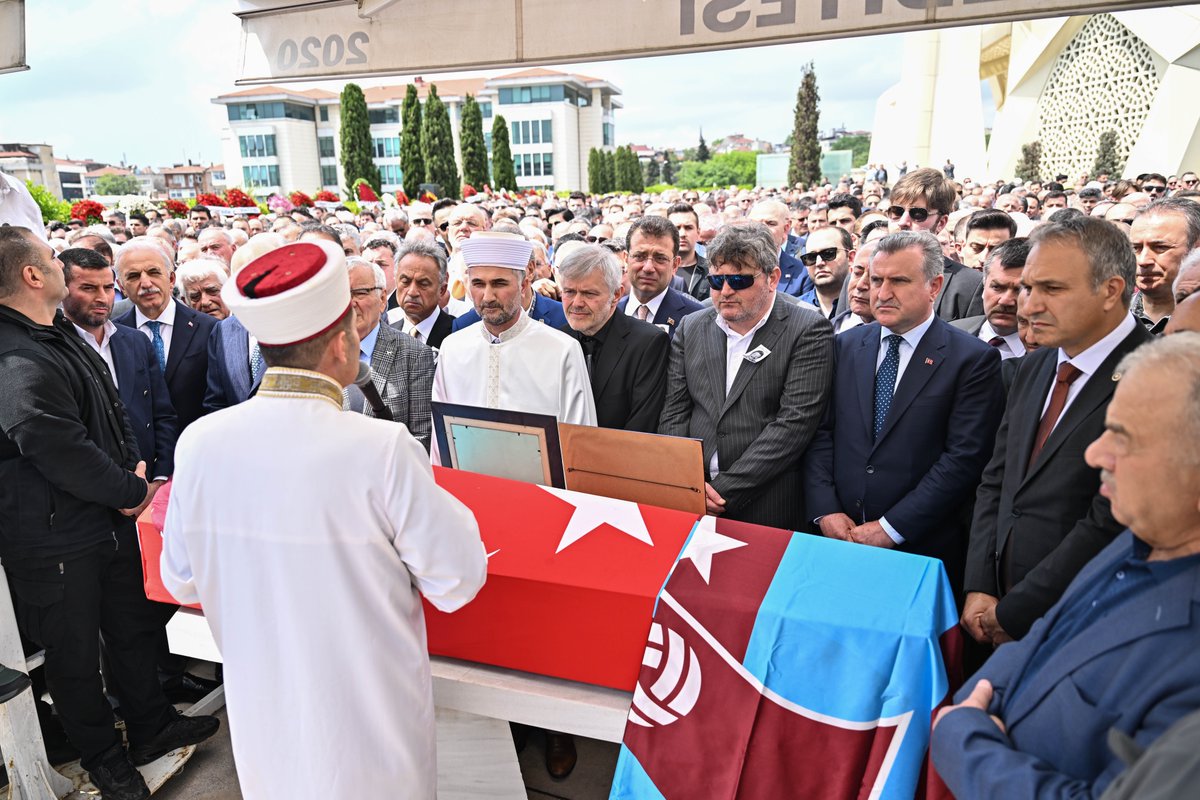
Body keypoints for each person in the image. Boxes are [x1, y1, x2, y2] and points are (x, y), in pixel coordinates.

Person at [160, 238, 486, 799]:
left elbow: (180, 577)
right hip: (369, 726)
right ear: (343, 343)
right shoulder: (381, 448)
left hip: (266, 718)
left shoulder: (200, 442)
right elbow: (458, 578)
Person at [0, 227, 218, 800]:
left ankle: (150, 727)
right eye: (51, 258)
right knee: (74, 659)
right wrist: (127, 488)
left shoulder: (52, 333)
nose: (58, 263)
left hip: (103, 522)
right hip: (54, 540)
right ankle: (105, 759)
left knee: (130, 629)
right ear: (31, 275)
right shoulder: (13, 350)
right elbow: (52, 442)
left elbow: (111, 407)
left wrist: (129, 477)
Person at [932, 333, 1200, 798]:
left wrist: (967, 741)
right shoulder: (1137, 539)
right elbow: (1043, 637)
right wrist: (979, 695)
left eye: (1124, 439)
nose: (1096, 456)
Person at [962, 215, 1152, 645]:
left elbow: (1110, 521)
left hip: (1081, 623)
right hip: (991, 612)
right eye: (1029, 287)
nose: (1028, 306)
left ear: (1111, 291)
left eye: (1052, 289)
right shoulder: (1037, 364)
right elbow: (996, 480)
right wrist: (978, 586)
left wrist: (1014, 612)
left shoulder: (1154, 376)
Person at [804, 231, 1005, 594]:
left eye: (898, 281)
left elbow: (963, 458)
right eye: (876, 279)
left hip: (920, 551)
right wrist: (825, 510)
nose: (881, 292)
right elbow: (821, 432)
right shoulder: (845, 346)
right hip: (838, 540)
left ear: (935, 286)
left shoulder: (972, 360)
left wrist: (892, 527)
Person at [659, 223, 833, 529]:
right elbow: (674, 411)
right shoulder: (691, 327)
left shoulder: (807, 329)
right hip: (692, 500)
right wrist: (686, 485)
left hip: (769, 504)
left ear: (773, 278)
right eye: (716, 280)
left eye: (739, 280)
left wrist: (720, 493)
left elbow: (793, 426)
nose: (726, 291)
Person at [433, 232, 596, 447]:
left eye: (499, 284)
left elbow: (580, 437)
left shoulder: (562, 349)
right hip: (466, 480)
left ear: (524, 283)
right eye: (478, 284)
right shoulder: (453, 347)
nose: (488, 296)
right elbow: (441, 439)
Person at [559, 244, 669, 433]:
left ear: (616, 295)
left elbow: (641, 426)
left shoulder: (648, 343)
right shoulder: (557, 340)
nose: (576, 303)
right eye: (569, 292)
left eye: (589, 293)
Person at [113, 239, 217, 430]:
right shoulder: (112, 334)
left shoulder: (210, 329)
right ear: (121, 286)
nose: (145, 283)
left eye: (153, 272)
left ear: (171, 279)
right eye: (134, 276)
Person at [343, 257, 435, 451]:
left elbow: (421, 441)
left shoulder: (414, 355)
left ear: (383, 298)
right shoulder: (321, 352)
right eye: (341, 294)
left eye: (359, 293)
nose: (349, 302)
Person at [887, 168, 985, 321]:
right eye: (897, 211)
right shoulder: (862, 274)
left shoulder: (970, 285)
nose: (903, 222)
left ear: (941, 223)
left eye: (917, 214)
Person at [617, 215, 704, 339]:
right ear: (626, 259)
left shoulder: (695, 317)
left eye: (660, 258)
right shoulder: (608, 312)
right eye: (640, 256)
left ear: (675, 264)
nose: (648, 267)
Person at [1129, 197, 1200, 334]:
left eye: (1160, 248)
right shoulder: (1108, 320)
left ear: (1196, 248)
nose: (1143, 260)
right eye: (1136, 248)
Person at [950, 237, 1029, 360]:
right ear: (983, 286)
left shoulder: (1053, 353)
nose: (1006, 300)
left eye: (1019, 290)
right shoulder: (948, 335)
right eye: (997, 287)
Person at [387, 239, 456, 347]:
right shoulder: (385, 334)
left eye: (423, 284)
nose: (412, 292)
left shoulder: (456, 334)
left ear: (442, 289)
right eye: (405, 282)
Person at [748, 199, 815, 297]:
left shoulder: (802, 273)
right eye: (755, 224)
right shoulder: (732, 268)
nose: (761, 230)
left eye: (770, 223)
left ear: (786, 228)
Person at [797, 225, 853, 319]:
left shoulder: (867, 305)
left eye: (828, 254)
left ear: (851, 257)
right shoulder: (796, 310)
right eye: (811, 257)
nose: (819, 263)